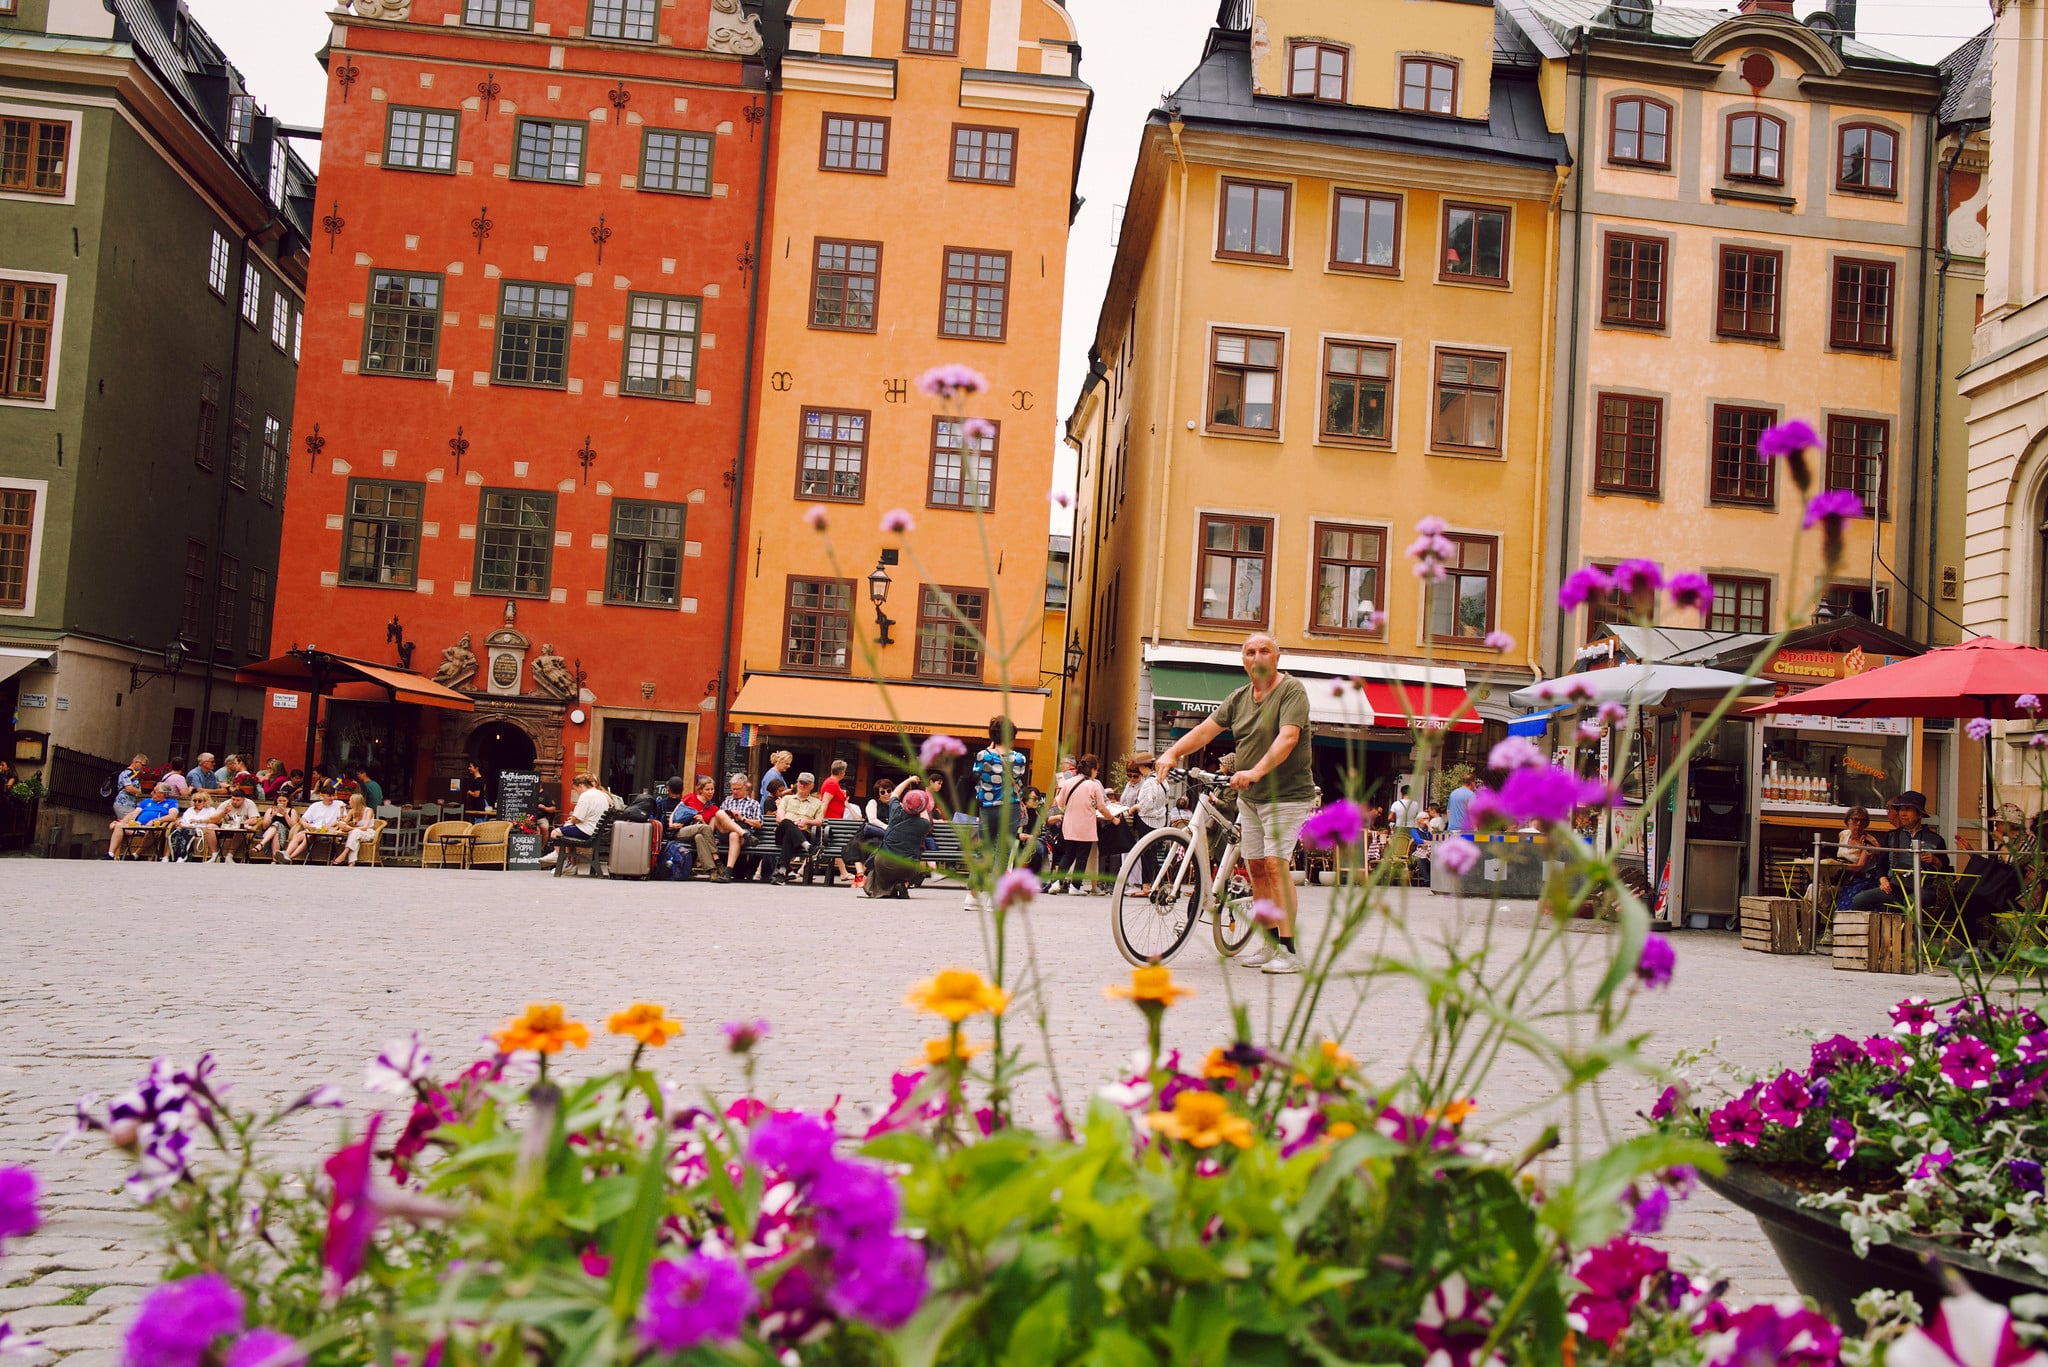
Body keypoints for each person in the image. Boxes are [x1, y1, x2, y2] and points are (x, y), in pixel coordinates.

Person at [1156, 632, 1315, 974]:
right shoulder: (1239, 698)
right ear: (1243, 661)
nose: (1256, 657)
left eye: (1264, 651)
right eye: (1249, 652)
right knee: (1255, 867)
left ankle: (1290, 952)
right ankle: (1269, 944)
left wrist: (1255, 770)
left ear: (1276, 658)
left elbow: (1288, 738)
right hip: (1251, 798)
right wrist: (1172, 752)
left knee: (1275, 866)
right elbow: (1205, 731)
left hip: (1285, 795)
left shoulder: (1292, 691)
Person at [1850, 791, 1952, 912]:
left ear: (1920, 814)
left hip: (1924, 889)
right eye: (1901, 809)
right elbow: (1881, 864)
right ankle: (1873, 931)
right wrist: (1883, 880)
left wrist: (1936, 861)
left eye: (1908, 809)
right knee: (1859, 900)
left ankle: (1910, 931)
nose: (1903, 813)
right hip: (1895, 888)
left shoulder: (1936, 839)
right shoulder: (1891, 836)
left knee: (1910, 902)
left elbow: (1946, 872)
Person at [1051, 755, 1117, 895]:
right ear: (1092, 769)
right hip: (1086, 826)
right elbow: (1102, 807)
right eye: (1096, 770)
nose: (1097, 773)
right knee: (1081, 856)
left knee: (1068, 854)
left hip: (1069, 824)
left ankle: (1056, 882)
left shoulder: (1068, 782)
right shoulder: (1093, 785)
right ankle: (1075, 887)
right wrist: (1112, 818)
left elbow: (1060, 802)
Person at [865, 783, 934, 899]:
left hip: (883, 863)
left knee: (881, 863)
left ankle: (889, 889)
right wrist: (922, 804)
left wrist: (910, 780)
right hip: (906, 867)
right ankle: (903, 884)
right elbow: (925, 815)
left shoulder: (895, 812)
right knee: (918, 867)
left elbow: (895, 793)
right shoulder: (923, 825)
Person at [973, 718, 1031, 850]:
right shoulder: (1019, 758)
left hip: (988, 807)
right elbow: (1020, 774)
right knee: (1003, 851)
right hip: (1011, 807)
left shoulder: (983, 755)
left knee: (983, 851)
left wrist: (990, 748)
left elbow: (976, 773)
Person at [772, 772, 827, 884]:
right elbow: (779, 817)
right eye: (801, 783)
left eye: (806, 784)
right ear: (797, 783)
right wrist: (793, 823)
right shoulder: (787, 798)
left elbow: (819, 821)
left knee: (790, 835)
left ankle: (781, 873)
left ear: (812, 786)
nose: (803, 786)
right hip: (781, 832)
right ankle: (808, 847)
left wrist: (806, 821)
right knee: (787, 822)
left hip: (802, 833)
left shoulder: (817, 803)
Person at [1127, 754, 1170, 891]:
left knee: (1146, 853)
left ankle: (1146, 884)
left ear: (1144, 767)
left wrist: (1134, 807)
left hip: (1146, 822)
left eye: (1139, 767)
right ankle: (1158, 883)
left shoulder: (1148, 783)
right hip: (1160, 821)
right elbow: (1166, 801)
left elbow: (1146, 806)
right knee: (1154, 853)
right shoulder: (1163, 780)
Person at [1833, 806, 1883, 909]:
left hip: (1857, 879)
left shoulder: (1868, 841)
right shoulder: (1843, 834)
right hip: (1837, 877)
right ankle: (1818, 923)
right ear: (1848, 820)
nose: (1859, 824)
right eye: (1855, 820)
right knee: (1814, 890)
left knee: (1847, 904)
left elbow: (1860, 866)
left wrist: (1839, 865)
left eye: (1863, 821)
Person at [717, 773, 765, 881]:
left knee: (735, 835)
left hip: (744, 831)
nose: (735, 792)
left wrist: (743, 818)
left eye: (738, 789)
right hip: (725, 832)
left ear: (745, 787)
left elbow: (759, 824)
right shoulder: (726, 802)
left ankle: (728, 872)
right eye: (733, 789)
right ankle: (728, 872)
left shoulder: (753, 803)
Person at [102, 754, 151, 857]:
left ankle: (116, 854)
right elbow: (129, 788)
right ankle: (115, 854)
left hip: (129, 804)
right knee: (122, 827)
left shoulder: (133, 774)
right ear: (136, 762)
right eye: (143, 765)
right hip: (124, 804)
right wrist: (140, 792)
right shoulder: (127, 773)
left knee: (122, 827)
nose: (144, 768)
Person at [284, 785, 347, 864]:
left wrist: (328, 826)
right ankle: (286, 854)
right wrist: (305, 824)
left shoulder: (339, 804)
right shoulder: (315, 806)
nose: (332, 798)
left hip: (327, 832)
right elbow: (303, 819)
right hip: (313, 829)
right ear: (322, 795)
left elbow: (342, 820)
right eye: (329, 796)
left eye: (333, 795)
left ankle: (289, 858)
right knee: (298, 836)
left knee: (309, 837)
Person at [212, 784, 261, 862]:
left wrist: (240, 824)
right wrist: (224, 812)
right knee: (209, 827)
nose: (234, 802)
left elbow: (254, 819)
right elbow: (213, 819)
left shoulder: (249, 803)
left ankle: (229, 856)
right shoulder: (226, 804)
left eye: (238, 800)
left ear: (243, 799)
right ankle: (214, 855)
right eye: (233, 799)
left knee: (240, 830)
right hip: (225, 827)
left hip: (240, 829)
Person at [331, 793, 379, 866]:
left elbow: (365, 827)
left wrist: (351, 828)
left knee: (354, 833)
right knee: (354, 837)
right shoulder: (352, 811)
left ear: (355, 802)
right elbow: (343, 822)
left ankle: (344, 854)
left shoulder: (368, 811)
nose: (349, 802)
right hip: (356, 834)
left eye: (350, 800)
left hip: (368, 833)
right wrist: (341, 813)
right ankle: (351, 863)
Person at [170, 795, 219, 862]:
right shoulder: (190, 810)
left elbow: (212, 820)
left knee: (187, 832)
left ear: (205, 801)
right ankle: (173, 856)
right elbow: (184, 819)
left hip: (201, 829)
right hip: (187, 827)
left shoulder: (211, 810)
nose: (197, 803)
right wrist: (180, 823)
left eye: (199, 801)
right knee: (175, 833)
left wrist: (198, 821)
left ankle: (183, 855)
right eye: (195, 801)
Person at [252, 792, 296, 862]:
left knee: (277, 826)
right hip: (269, 833)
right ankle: (274, 860)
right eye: (280, 801)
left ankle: (261, 845)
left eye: (284, 801)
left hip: (285, 834)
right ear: (276, 801)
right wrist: (272, 815)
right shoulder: (270, 810)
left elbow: (293, 827)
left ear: (288, 801)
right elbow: (264, 826)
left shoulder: (292, 811)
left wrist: (286, 815)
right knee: (276, 829)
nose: (282, 803)